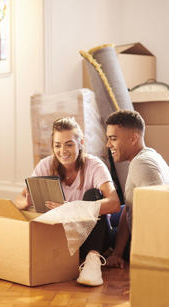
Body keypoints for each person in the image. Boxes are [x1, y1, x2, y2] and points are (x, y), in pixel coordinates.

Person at [15, 117, 120, 286]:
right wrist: (26, 203)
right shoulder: (46, 165)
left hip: (95, 237)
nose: (63, 150)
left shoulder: (94, 166)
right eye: (57, 145)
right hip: (63, 239)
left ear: (81, 143)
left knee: (94, 194)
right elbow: (19, 199)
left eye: (69, 144)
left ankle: (92, 261)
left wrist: (73, 208)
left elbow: (114, 203)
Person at [104, 110, 169, 268]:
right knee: (107, 211)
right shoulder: (150, 155)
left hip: (147, 243)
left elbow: (157, 218)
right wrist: (117, 251)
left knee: (98, 229)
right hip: (139, 225)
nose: (108, 145)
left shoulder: (141, 165)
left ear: (133, 138)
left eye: (113, 139)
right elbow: (129, 208)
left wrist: (120, 253)